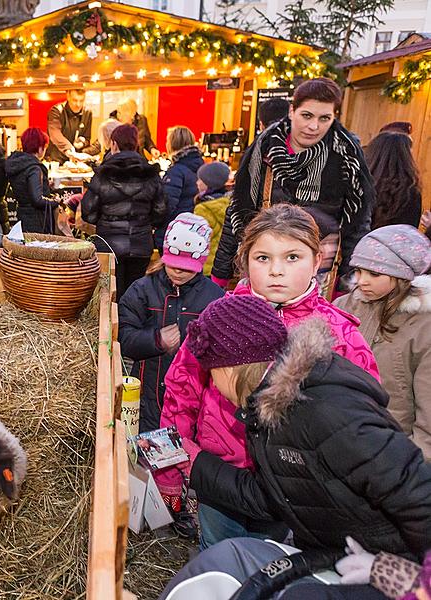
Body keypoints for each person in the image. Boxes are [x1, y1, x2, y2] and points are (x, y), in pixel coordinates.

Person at [158, 294, 431, 600]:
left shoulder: (328, 412)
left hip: (391, 565)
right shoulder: (267, 409)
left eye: (213, 374)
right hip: (337, 552)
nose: (216, 386)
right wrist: (198, 465)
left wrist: (410, 575)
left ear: (231, 369)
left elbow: (415, 489)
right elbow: (273, 496)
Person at [157, 204, 380, 549]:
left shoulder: (339, 334)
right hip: (220, 476)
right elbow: (181, 389)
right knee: (218, 556)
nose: (276, 271)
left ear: (317, 259)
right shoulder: (221, 319)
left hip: (293, 490)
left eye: (292, 257)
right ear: (245, 260)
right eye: (263, 258)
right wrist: (171, 468)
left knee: (274, 566)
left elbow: (360, 420)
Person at [212, 78, 375, 293]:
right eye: (306, 115)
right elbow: (239, 210)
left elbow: (357, 224)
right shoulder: (265, 148)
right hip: (264, 264)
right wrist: (219, 276)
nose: (313, 126)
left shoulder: (346, 156)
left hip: (316, 273)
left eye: (324, 118)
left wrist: (345, 286)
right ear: (292, 111)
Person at [118, 212, 224, 435]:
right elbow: (123, 337)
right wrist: (156, 340)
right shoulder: (143, 290)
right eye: (173, 264)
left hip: (192, 400)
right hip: (147, 395)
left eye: (186, 267)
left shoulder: (214, 298)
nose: (177, 271)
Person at [334, 225, 431, 460]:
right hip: (339, 437)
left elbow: (428, 409)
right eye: (359, 271)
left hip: (395, 446)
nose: (362, 281)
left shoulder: (423, 326)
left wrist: (415, 462)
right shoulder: (342, 308)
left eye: (374, 274)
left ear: (402, 275)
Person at [81, 124, 167, 296]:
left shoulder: (103, 174)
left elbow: (88, 213)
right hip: (141, 244)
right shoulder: (150, 174)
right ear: (135, 145)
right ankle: (131, 323)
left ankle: (114, 323)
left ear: (113, 145)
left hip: (108, 245)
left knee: (110, 295)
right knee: (135, 295)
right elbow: (161, 212)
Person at [157, 126, 204, 248]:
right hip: (194, 229)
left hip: (174, 232)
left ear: (172, 144)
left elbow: (167, 205)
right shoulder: (201, 166)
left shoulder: (176, 171)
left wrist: (156, 223)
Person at [365, 132, 422, 229]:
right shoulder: (409, 192)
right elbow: (408, 230)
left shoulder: (357, 183)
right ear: (405, 157)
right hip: (391, 242)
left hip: (357, 242)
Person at [6, 128, 53, 234]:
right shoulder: (34, 168)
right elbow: (37, 200)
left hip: (23, 216)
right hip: (36, 220)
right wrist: (55, 202)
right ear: (40, 148)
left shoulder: (19, 164)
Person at [193, 162, 231, 277]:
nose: (197, 183)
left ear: (209, 183)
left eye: (200, 180)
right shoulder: (230, 203)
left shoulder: (203, 208)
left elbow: (197, 239)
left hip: (205, 265)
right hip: (222, 266)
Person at [44, 89, 99, 163]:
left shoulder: (87, 113)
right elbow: (55, 134)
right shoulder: (56, 111)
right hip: (56, 160)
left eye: (81, 100)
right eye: (75, 100)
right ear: (68, 96)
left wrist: (82, 143)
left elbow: (87, 138)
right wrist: (68, 148)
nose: (78, 104)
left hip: (75, 161)